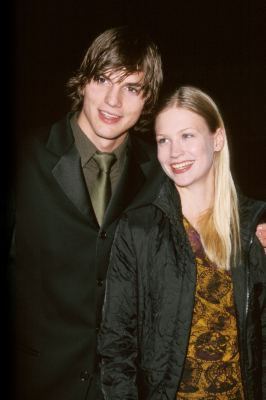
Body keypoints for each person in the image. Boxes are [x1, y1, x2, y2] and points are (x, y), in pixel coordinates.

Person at [10, 26, 164, 400]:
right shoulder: (24, 161)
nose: (113, 101)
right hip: (36, 381)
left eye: (131, 88)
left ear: (147, 100)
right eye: (102, 80)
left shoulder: (160, 174)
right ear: (81, 84)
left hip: (124, 388)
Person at [99, 86, 266, 399]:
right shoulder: (137, 230)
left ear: (217, 139)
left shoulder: (254, 226)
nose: (174, 152)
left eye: (187, 135)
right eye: (164, 140)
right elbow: (116, 345)